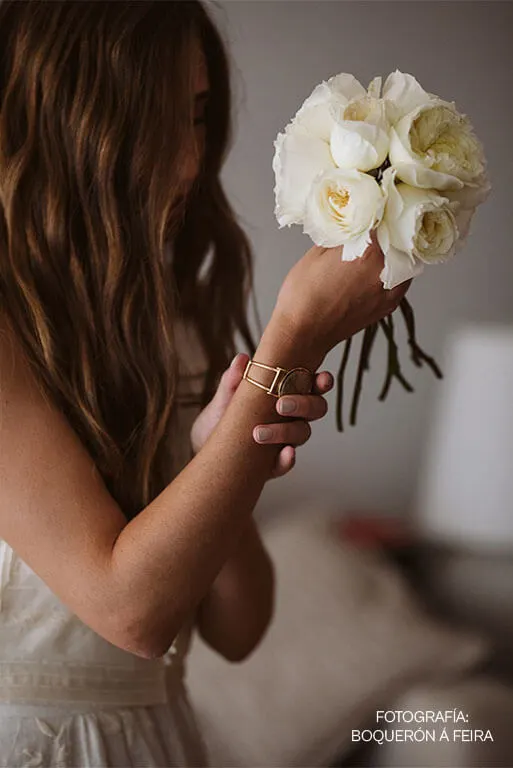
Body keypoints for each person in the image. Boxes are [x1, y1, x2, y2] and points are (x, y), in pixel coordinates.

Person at [0, 1, 409, 765]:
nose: (190, 160)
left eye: (195, 114)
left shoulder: (168, 312)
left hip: (157, 739)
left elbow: (239, 627)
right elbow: (133, 614)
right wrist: (293, 336)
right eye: (154, 120)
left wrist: (210, 455)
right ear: (67, 120)